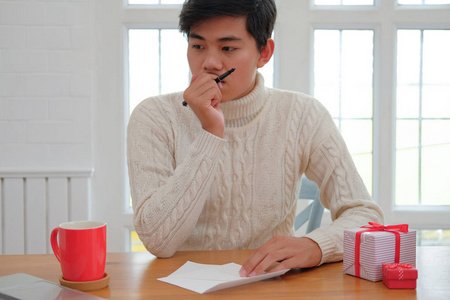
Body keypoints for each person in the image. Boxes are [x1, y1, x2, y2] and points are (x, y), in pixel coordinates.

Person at [127, 0, 384, 277]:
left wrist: (317, 245)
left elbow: (366, 217)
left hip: (272, 285)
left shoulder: (303, 114)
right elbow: (157, 240)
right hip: (178, 287)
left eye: (228, 48)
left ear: (264, 52)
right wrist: (211, 134)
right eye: (198, 46)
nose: (209, 63)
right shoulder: (154, 116)